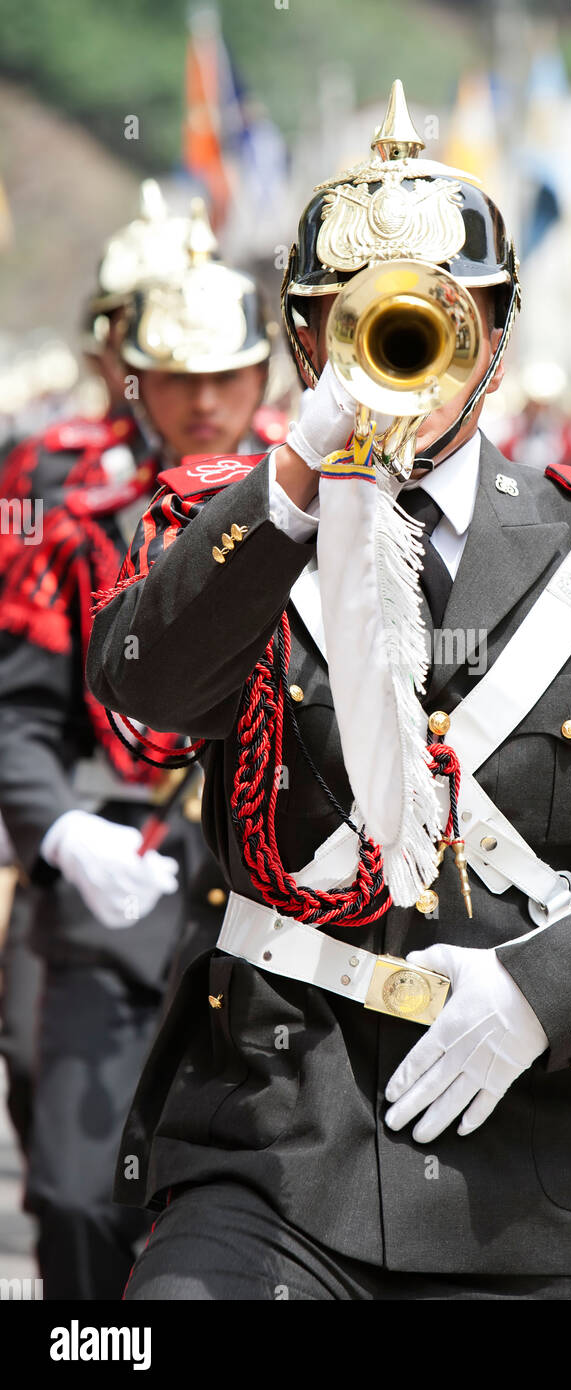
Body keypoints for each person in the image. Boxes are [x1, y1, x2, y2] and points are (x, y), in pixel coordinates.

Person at [87, 81, 571, 1302]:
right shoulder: (233, 523)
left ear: (496, 327)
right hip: (269, 1138)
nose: (402, 345)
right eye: (348, 317)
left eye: (443, 312)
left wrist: (548, 995)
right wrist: (292, 488)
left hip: (523, 1170)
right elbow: (147, 693)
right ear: (305, 337)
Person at [0, 216, 282, 1300]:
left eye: (223, 375)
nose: (201, 400)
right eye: (175, 377)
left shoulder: (322, 504)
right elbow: (22, 708)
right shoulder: (72, 508)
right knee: (75, 1193)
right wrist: (64, 829)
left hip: (269, 906)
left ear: (262, 372)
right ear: (136, 380)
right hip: (113, 875)